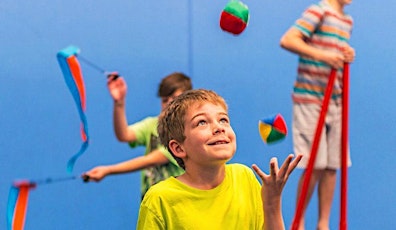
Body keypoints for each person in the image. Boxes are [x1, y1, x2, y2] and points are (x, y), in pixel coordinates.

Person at [137, 89, 303, 230]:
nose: (219, 128)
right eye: (201, 122)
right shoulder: (159, 199)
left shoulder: (244, 177)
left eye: (223, 119)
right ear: (178, 148)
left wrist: (272, 202)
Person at [279, 1, 355, 229]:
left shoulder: (346, 20)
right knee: (315, 163)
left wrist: (345, 54)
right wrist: (323, 55)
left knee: (333, 164)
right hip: (310, 98)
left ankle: (324, 223)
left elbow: (337, 53)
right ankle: (299, 220)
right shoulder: (318, 11)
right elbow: (289, 40)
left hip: (335, 99)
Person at [81, 72, 192, 199]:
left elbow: (151, 160)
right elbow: (124, 135)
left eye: (174, 98)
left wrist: (108, 170)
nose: (168, 103)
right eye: (164, 100)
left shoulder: (186, 132)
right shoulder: (153, 124)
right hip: (151, 200)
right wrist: (119, 103)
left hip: (176, 201)